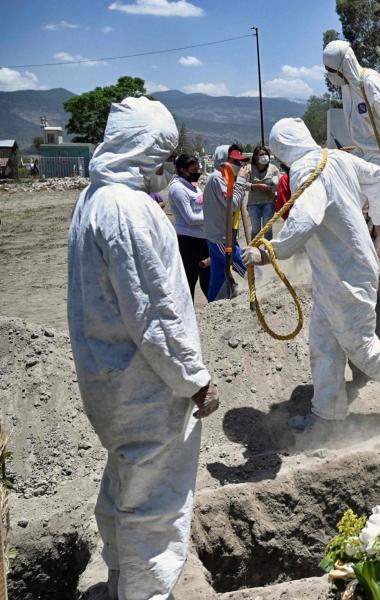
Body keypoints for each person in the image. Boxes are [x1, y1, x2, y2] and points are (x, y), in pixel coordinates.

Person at [66, 96, 219, 600]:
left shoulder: (94, 198)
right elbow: (156, 312)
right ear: (142, 151)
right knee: (153, 504)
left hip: (109, 380)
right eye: (161, 155)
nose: (164, 168)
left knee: (126, 480)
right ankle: (144, 593)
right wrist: (194, 379)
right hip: (145, 387)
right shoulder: (127, 210)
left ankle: (119, 583)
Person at [243, 118, 380, 428]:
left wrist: (268, 252)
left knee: (361, 348)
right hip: (339, 272)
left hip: (347, 274)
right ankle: (327, 414)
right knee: (324, 343)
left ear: (281, 149)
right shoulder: (335, 157)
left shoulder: (304, 171)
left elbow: (306, 220)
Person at [323, 40, 380, 176]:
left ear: (342, 66)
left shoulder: (371, 84)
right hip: (364, 161)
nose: (329, 75)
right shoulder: (347, 89)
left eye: (331, 70)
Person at [202, 144, 250, 302]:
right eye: (235, 162)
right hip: (222, 238)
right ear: (224, 160)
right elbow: (233, 203)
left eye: (240, 162)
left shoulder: (222, 177)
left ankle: (214, 304)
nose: (239, 166)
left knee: (218, 275)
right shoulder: (218, 177)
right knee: (247, 266)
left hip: (218, 235)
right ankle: (266, 286)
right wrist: (242, 180)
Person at [168, 153, 210, 299]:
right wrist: (211, 217)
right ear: (183, 170)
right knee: (189, 278)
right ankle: (188, 310)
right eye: (194, 169)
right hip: (188, 240)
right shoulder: (178, 189)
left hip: (202, 237)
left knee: (207, 277)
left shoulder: (193, 186)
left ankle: (214, 307)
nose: (198, 172)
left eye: (198, 168)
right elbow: (190, 218)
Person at [247, 146, 280, 240]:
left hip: (268, 203)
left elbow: (279, 185)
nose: (264, 156)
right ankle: (253, 251)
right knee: (255, 230)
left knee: (267, 230)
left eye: (266, 154)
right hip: (253, 204)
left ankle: (268, 252)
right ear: (256, 157)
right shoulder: (249, 168)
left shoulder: (273, 169)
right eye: (261, 154)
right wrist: (255, 186)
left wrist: (271, 189)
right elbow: (242, 184)